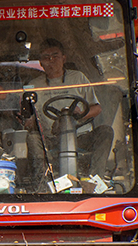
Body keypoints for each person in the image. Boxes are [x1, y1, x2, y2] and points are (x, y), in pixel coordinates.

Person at [23, 38, 114, 181]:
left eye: (55, 56)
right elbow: (28, 115)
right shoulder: (34, 85)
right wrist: (30, 121)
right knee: (33, 139)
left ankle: (95, 180)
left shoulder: (78, 77)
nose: (51, 60)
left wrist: (81, 115)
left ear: (64, 58)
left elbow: (97, 108)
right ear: (40, 62)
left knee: (105, 131)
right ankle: (42, 184)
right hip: (51, 138)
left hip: (80, 136)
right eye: (46, 57)